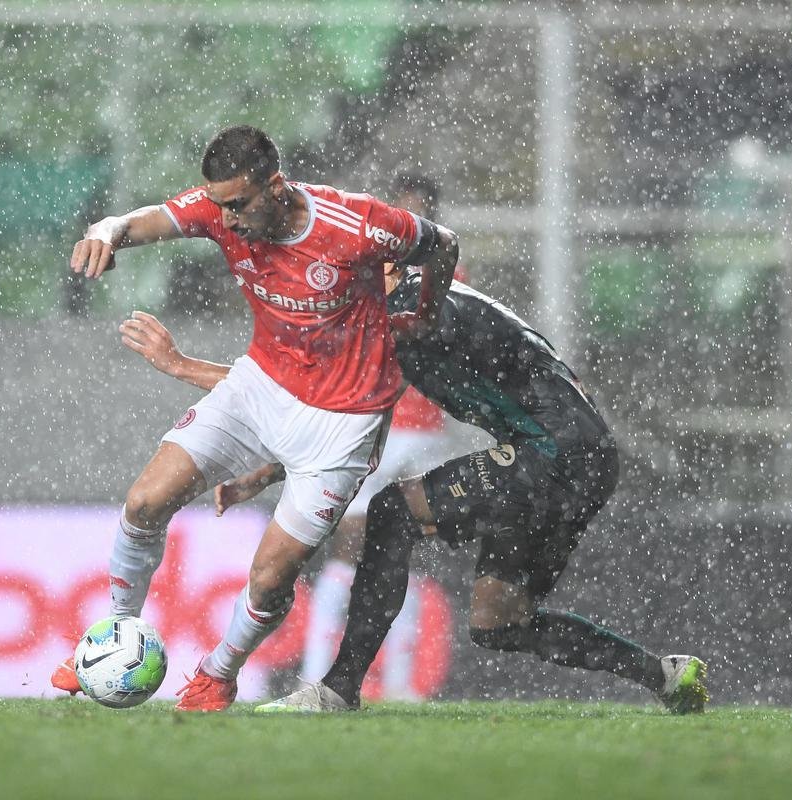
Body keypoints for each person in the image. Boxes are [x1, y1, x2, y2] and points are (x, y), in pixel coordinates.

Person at [118, 263, 709, 715]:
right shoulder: (418, 312)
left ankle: (338, 689)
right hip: (583, 458)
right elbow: (361, 405)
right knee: (497, 620)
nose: (341, 293)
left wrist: (181, 364)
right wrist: (270, 471)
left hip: (551, 454)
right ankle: (663, 674)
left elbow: (302, 388)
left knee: (392, 514)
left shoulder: (408, 312)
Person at [51, 125, 459, 711]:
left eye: (240, 204)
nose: (229, 220)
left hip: (343, 423)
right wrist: (107, 228)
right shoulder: (221, 211)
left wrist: (423, 313)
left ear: (275, 185)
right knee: (144, 502)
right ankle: (115, 636)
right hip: (259, 387)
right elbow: (147, 221)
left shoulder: (355, 225)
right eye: (220, 206)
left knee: (270, 578)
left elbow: (440, 242)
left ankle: (218, 673)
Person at [301, 173, 453, 698]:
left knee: (362, 548)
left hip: (397, 430)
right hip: (389, 428)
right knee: (381, 549)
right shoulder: (417, 268)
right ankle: (372, 678)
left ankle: (339, 675)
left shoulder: (388, 268)